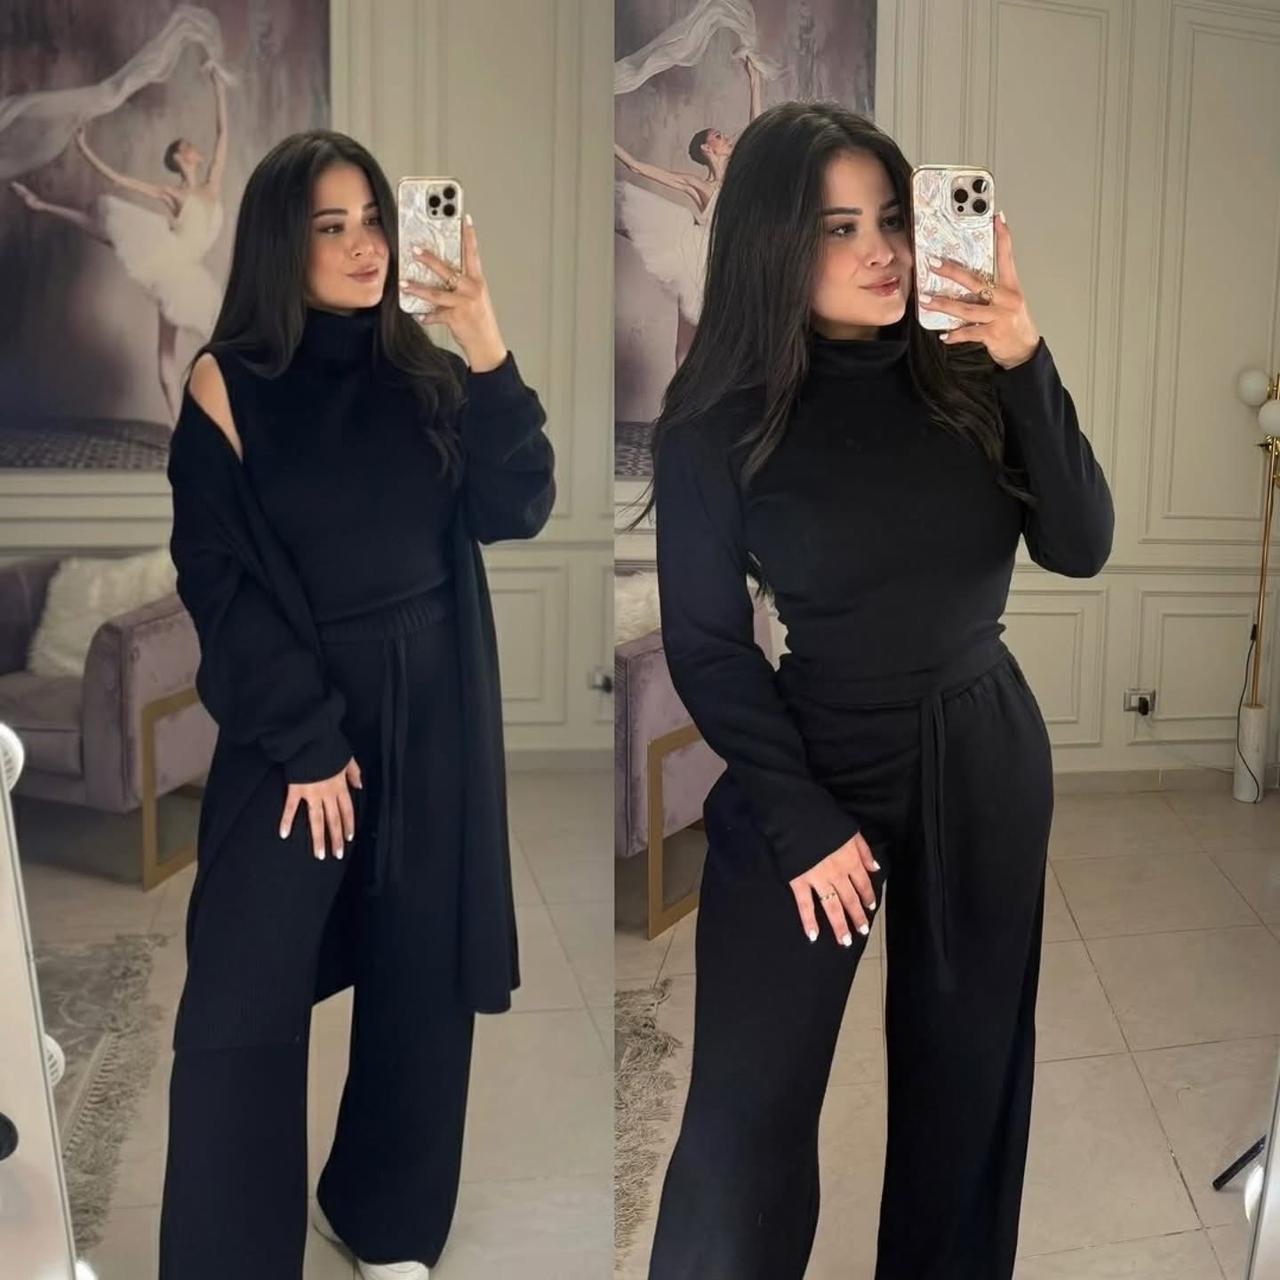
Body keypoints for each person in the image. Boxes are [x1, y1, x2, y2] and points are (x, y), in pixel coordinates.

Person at [633, 101, 1113, 1278]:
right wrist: (801, 821)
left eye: (890, 217)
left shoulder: (969, 370)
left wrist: (1023, 352)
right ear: (770, 244)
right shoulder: (712, 421)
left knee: (965, 1086)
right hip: (812, 752)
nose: (881, 249)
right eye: (837, 226)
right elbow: (708, 643)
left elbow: (1080, 542)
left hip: (980, 747)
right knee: (741, 1118)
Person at [158, 129, 555, 1280]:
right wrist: (307, 739)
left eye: (373, 219)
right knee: (240, 995)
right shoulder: (228, 381)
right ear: (282, 243)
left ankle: (384, 1218)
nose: (363, 245)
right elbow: (218, 581)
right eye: (330, 226)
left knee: (421, 980)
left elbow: (518, 504)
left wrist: (482, 334)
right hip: (298, 721)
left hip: (433, 710)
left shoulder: (430, 371)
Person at [9, 59, 230, 420]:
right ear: (181, 157)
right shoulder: (174, 194)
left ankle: (42, 205)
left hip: (188, 271)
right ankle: (179, 428)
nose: (196, 149)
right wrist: (85, 150)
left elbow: (223, 134)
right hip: (173, 268)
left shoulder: (212, 184)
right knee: (113, 230)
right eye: (189, 146)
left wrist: (217, 84)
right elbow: (119, 181)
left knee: (209, 349)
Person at [614, 48, 764, 366]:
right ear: (707, 148)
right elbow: (638, 167)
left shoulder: (741, 174)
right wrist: (604, 136)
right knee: (687, 339)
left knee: (735, 337)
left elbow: (759, 131)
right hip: (700, 264)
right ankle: (679, 393)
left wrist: (754, 81)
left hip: (733, 263)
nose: (727, 137)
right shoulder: (700, 186)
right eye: (719, 136)